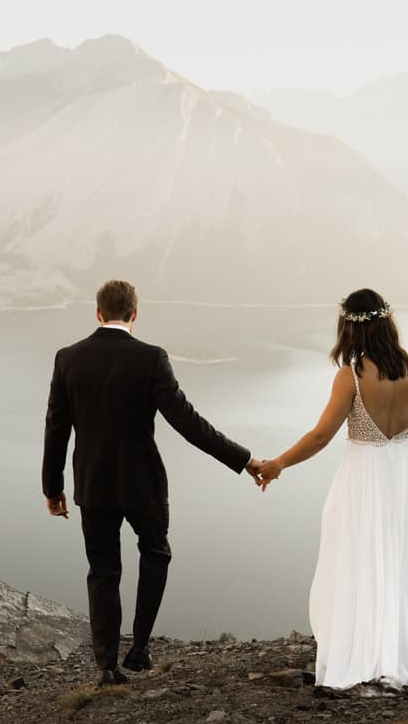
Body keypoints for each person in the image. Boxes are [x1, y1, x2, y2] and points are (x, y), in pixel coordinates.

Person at [43, 279, 264, 687]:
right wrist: (245, 459)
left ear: (97, 312)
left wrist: (52, 488)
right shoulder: (151, 359)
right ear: (135, 313)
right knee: (156, 553)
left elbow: (56, 428)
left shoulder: (68, 358)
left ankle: (106, 665)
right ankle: (140, 648)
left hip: (93, 484)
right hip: (143, 483)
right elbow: (188, 423)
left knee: (103, 570)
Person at [257, 289, 408, 694]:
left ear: (349, 327)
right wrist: (403, 451)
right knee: (400, 557)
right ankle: (404, 649)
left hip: (362, 476)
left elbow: (322, 435)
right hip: (403, 474)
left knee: (359, 555)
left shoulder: (352, 375)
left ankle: (366, 650)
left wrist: (278, 464)